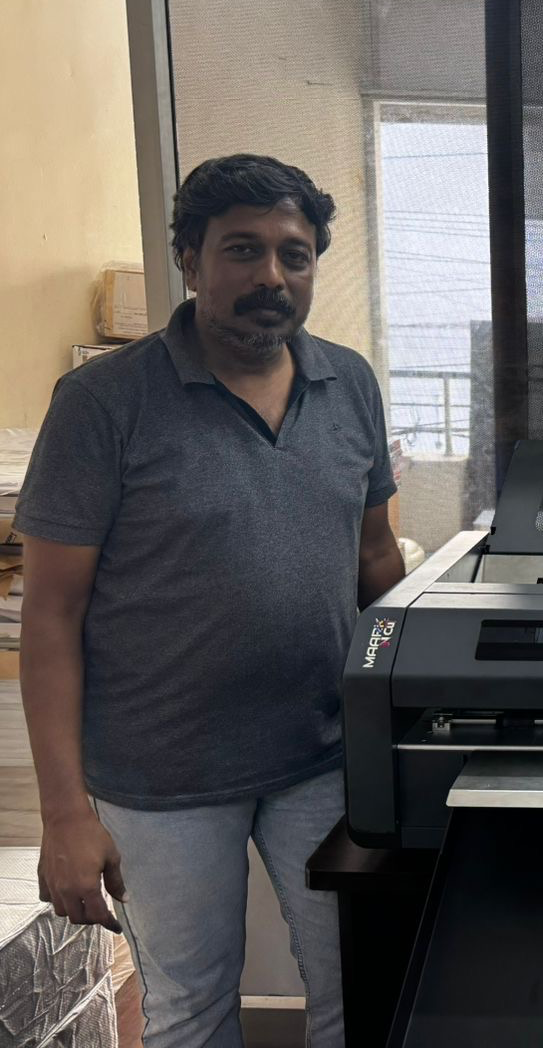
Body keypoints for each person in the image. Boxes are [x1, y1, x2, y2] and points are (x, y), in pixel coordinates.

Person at [17, 154, 407, 1048]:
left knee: (362, 984)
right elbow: (50, 617)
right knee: (191, 1010)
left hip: (323, 755)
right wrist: (65, 813)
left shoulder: (348, 383)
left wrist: (423, 702)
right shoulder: (104, 404)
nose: (271, 276)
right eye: (242, 249)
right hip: (162, 779)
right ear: (190, 260)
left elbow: (376, 559)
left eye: (294, 255)